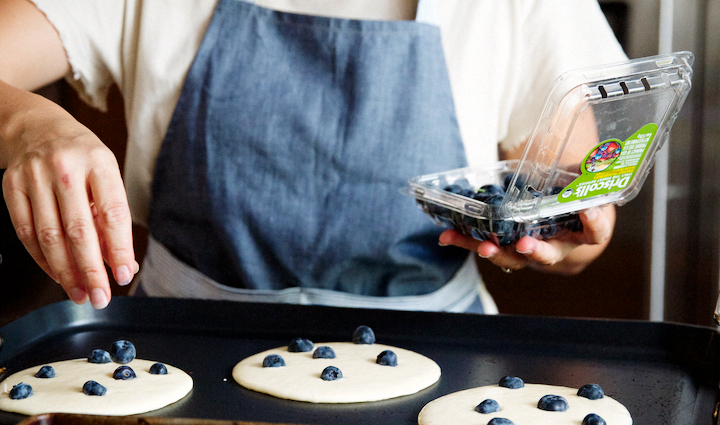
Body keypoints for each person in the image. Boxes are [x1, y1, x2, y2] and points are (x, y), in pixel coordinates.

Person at [0, 0, 625, 313]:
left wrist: (564, 233)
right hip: (179, 355)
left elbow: (576, 216)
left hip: (443, 374)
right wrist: (25, 122)